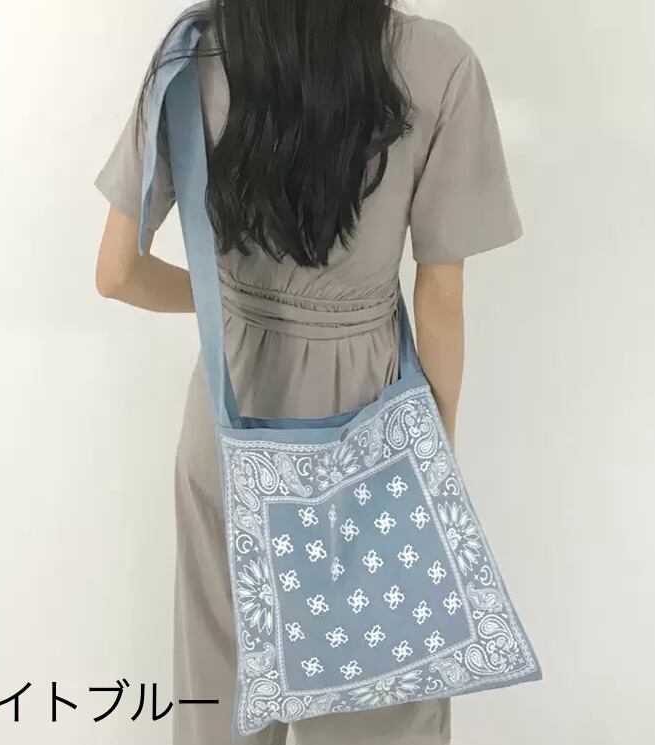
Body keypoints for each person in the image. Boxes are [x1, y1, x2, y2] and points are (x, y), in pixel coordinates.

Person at [93, 1, 522, 743]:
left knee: (221, 694)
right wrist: (439, 443)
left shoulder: (193, 55)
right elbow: (440, 298)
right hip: (373, 423)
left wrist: (228, 304)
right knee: (380, 705)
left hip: (230, 415)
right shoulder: (438, 62)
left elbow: (116, 273)